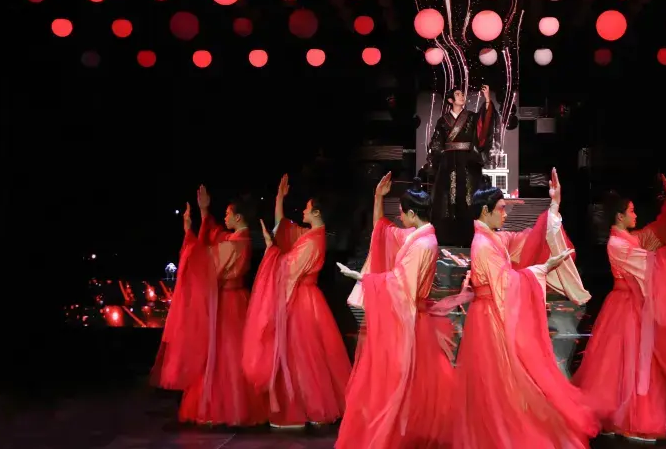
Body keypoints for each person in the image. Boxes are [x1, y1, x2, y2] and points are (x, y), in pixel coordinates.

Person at [449, 168, 599, 448]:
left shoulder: (492, 238)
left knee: (502, 383)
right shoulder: (483, 244)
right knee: (501, 382)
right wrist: (542, 269)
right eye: (501, 209)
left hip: (491, 315)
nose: (505, 215)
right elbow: (506, 284)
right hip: (490, 320)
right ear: (485, 211)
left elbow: (529, 239)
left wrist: (553, 206)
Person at [572, 176, 666, 442]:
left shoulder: (628, 238)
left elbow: (655, 231)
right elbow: (649, 265)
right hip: (625, 308)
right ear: (619, 217)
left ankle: (628, 416)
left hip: (635, 305)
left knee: (634, 363)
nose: (635, 215)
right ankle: (629, 418)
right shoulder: (617, 244)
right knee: (627, 363)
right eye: (631, 211)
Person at [335, 173, 457, 448]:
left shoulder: (422, 244)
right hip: (416, 319)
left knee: (403, 382)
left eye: (402, 212)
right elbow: (383, 231)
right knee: (409, 383)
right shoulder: (420, 237)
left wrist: (363, 278)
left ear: (413, 214)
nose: (399, 217)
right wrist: (378, 197)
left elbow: (401, 284)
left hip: (412, 322)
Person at [241, 175, 351, 428]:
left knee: (302, 357)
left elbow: (288, 267)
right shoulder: (312, 234)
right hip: (305, 298)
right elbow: (284, 229)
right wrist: (279, 199)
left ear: (317, 212)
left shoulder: (314, 240)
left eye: (307, 208)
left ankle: (306, 407)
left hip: (303, 301)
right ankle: (306, 406)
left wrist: (271, 250)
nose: (303, 210)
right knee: (302, 356)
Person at [152, 186, 267, 426]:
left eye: (228, 213)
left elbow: (203, 258)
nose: (224, 217)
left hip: (228, 304)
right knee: (228, 353)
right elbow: (215, 235)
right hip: (235, 300)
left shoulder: (237, 243)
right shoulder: (236, 239)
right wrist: (204, 211)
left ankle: (222, 408)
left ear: (238, 217)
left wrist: (188, 232)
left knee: (224, 353)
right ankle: (229, 406)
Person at [418, 85, 498, 247]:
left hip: (468, 163)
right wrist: (440, 158)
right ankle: (447, 237)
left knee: (469, 197)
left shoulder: (472, 117)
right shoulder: (443, 121)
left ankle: (470, 238)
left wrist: (487, 100)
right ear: (450, 100)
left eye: (462, 94)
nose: (462, 96)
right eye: (458, 94)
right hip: (448, 164)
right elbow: (436, 143)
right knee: (448, 199)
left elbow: (484, 126)